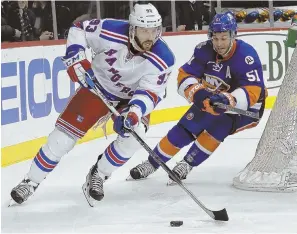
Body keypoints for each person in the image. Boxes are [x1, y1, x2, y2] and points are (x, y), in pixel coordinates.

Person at [10, 2, 175, 205]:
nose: (150, 37)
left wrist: (132, 114)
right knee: (62, 139)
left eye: (154, 31)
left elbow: (149, 93)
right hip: (97, 87)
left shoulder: (164, 58)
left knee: (136, 134)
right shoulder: (111, 30)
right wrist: (75, 56)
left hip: (131, 99)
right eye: (144, 31)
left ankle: (99, 174)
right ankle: (31, 181)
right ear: (132, 28)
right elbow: (79, 30)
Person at [129, 12, 267, 182]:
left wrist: (227, 100)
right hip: (213, 99)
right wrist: (199, 93)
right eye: (215, 38)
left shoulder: (246, 55)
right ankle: (152, 163)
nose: (219, 44)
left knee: (218, 125)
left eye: (223, 38)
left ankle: (187, 164)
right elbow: (184, 75)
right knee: (186, 126)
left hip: (247, 109)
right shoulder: (204, 50)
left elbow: (254, 90)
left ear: (233, 35)